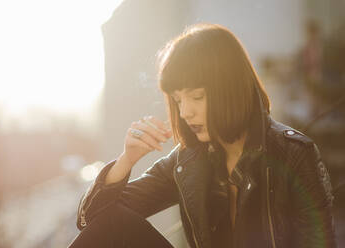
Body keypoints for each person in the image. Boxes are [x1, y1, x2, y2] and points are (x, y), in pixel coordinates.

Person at [68, 23, 336, 248]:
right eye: (178, 100)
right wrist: (127, 159)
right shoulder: (188, 159)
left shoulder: (293, 153)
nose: (185, 112)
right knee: (114, 222)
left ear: (229, 89)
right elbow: (93, 221)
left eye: (197, 96)